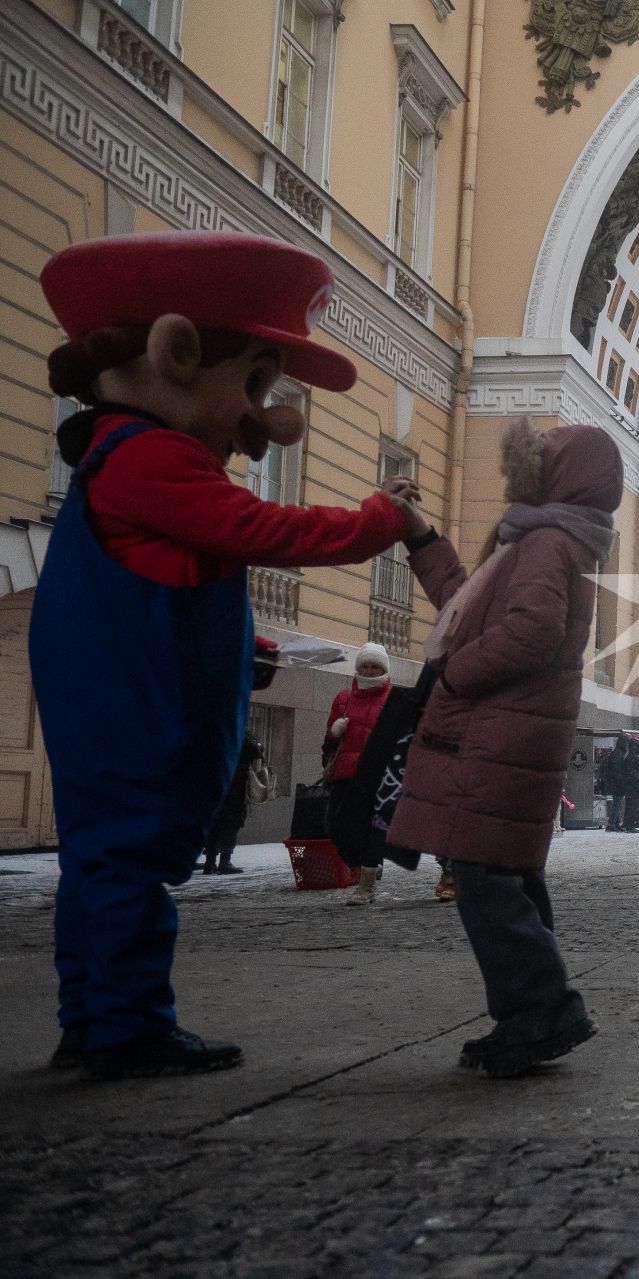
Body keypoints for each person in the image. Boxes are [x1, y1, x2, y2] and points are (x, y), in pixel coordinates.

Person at [30, 232, 413, 1079]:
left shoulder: (116, 461)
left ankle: (87, 1021)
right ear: (177, 353)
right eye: (251, 384)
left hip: (116, 696)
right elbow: (256, 530)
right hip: (137, 712)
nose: (263, 418)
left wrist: (249, 646)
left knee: (99, 866)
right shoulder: (154, 455)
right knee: (127, 865)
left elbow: (168, 580)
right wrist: (377, 523)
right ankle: (128, 1027)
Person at [384, 417, 621, 1078]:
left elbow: (532, 630)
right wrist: (420, 536)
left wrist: (457, 672)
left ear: (560, 474)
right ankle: (533, 1012)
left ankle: (542, 1009)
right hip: (514, 734)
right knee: (505, 874)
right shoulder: (549, 538)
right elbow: (466, 605)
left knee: (487, 879)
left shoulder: (545, 540)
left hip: (500, 734)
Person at [329, 639, 395, 901]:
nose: (369, 671)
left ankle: (365, 884)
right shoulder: (344, 698)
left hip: (377, 776)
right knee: (336, 827)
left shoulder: (394, 699)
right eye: (364, 666)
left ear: (384, 669)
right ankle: (364, 864)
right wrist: (336, 730)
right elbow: (329, 739)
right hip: (345, 773)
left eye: (374, 667)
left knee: (371, 830)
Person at [202, 732, 265, 876]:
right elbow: (256, 750)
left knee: (214, 824)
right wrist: (257, 743)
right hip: (234, 788)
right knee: (231, 823)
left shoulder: (214, 732)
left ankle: (209, 863)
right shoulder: (239, 732)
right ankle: (225, 862)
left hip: (214, 786)